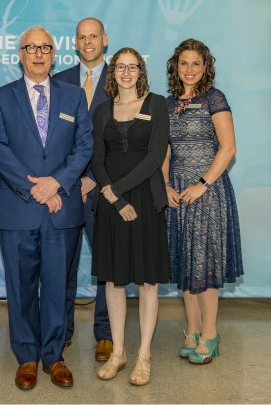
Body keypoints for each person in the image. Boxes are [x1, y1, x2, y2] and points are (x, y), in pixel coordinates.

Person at [0, 26, 93, 390]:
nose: (38, 53)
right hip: (19, 206)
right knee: (20, 286)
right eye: (31, 47)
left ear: (54, 54)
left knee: (57, 285)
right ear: (20, 53)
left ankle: (54, 357)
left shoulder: (74, 96)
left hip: (62, 208)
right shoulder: (0, 97)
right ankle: (27, 357)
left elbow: (83, 146)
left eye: (45, 47)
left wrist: (56, 183)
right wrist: (36, 188)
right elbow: (0, 149)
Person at [91, 47, 169, 386]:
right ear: (113, 72)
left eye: (132, 67)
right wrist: (112, 196)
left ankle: (144, 355)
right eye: (120, 67)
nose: (126, 72)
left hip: (144, 201)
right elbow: (96, 158)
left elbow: (155, 156)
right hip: (111, 204)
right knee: (114, 279)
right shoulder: (103, 110)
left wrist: (116, 191)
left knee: (147, 281)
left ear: (141, 71)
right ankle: (119, 351)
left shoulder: (157, 104)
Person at [163, 38, 243, 365]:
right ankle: (192, 330)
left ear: (205, 66)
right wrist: (165, 183)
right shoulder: (167, 104)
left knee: (205, 264)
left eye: (197, 63)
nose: (190, 69)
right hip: (178, 190)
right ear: (175, 67)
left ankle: (210, 334)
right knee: (185, 262)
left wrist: (201, 183)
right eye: (184, 63)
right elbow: (165, 149)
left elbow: (228, 148)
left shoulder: (215, 98)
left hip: (207, 191)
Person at [53, 17, 112, 361]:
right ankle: (61, 331)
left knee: (106, 263)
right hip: (67, 190)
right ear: (75, 43)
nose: (88, 42)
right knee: (63, 265)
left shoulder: (119, 79)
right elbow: (53, 141)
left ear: (104, 39)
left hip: (103, 190)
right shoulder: (58, 82)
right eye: (82, 37)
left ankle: (105, 333)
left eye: (94, 36)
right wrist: (68, 179)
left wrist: (97, 178)